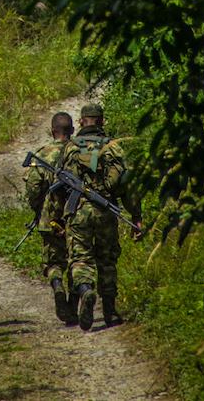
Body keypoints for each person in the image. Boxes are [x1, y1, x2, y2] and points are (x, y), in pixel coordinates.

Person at [65, 101, 142, 331]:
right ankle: (109, 311)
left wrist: (57, 217)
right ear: (103, 121)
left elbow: (58, 187)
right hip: (106, 211)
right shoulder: (113, 148)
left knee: (80, 258)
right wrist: (136, 216)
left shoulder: (69, 148)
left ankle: (86, 290)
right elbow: (127, 185)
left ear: (80, 122)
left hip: (78, 212)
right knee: (107, 261)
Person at [24, 111, 79, 325]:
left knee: (54, 261)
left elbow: (33, 188)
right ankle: (73, 306)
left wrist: (39, 212)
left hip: (51, 217)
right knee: (76, 259)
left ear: (52, 130)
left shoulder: (42, 154)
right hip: (77, 217)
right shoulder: (81, 153)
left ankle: (57, 286)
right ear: (72, 131)